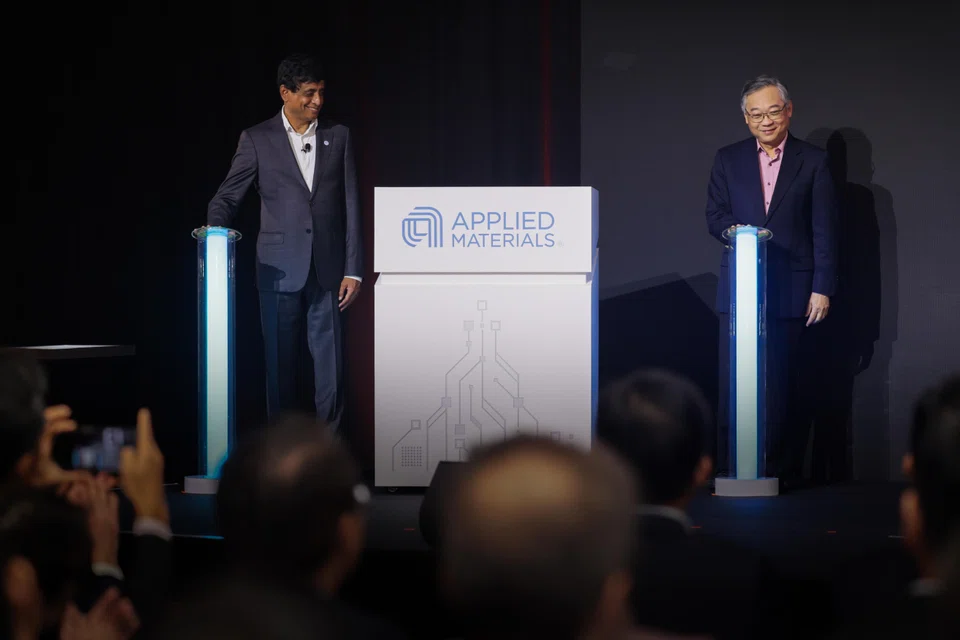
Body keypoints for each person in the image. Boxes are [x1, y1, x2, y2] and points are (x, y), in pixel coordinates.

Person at [206, 53, 363, 431]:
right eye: (309, 93)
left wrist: (354, 269)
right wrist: (214, 233)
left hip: (328, 271)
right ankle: (283, 452)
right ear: (285, 93)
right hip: (277, 271)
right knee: (280, 370)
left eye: (321, 92)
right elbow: (226, 198)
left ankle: (329, 452)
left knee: (331, 370)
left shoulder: (338, 135)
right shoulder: (257, 139)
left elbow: (351, 204)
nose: (317, 101)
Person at [705, 75, 838, 488]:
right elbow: (715, 215)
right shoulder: (727, 159)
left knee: (784, 385)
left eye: (773, 111)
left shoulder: (813, 161)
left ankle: (781, 471)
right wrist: (734, 232)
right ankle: (729, 469)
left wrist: (822, 286)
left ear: (789, 111)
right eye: (756, 114)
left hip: (793, 289)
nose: (766, 121)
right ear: (746, 118)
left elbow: (824, 229)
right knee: (734, 384)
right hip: (740, 290)